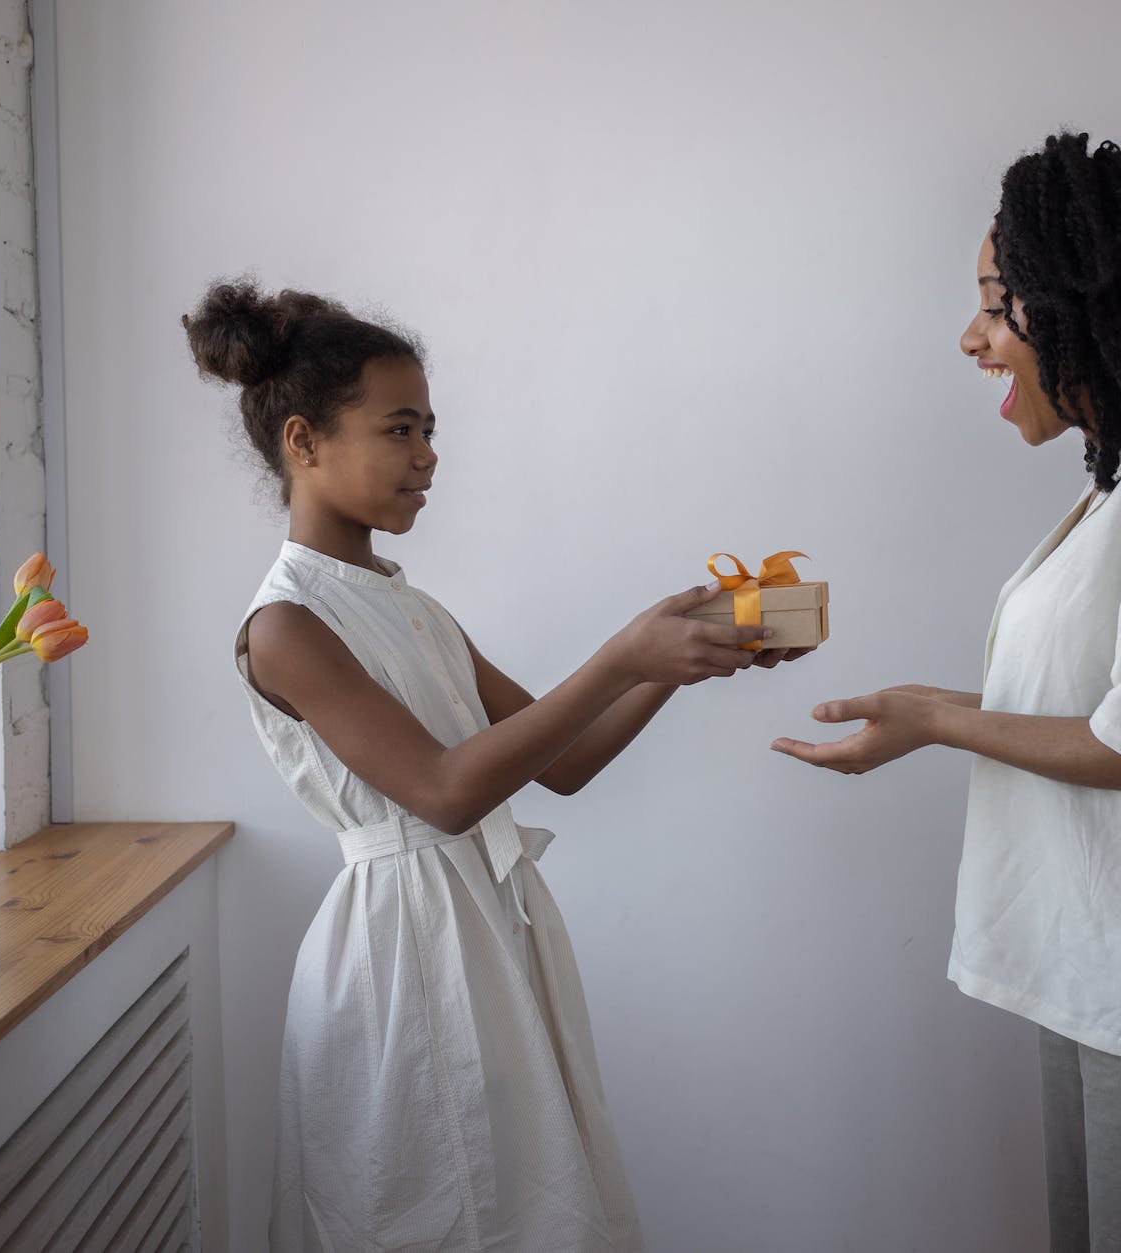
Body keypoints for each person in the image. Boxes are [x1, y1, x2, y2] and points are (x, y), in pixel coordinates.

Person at [773, 132, 1121, 1252]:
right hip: (1109, 979)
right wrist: (931, 707)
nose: (971, 337)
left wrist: (938, 721)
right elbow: (1114, 702)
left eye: (996, 303)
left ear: (1084, 304)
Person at [184, 280, 806, 1252]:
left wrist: (683, 657)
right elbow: (440, 791)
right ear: (303, 441)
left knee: (515, 1203)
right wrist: (620, 654)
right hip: (402, 952)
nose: (428, 454)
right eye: (399, 429)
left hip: (481, 931)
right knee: (428, 1205)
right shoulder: (285, 626)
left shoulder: (414, 608)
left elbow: (565, 761)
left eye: (429, 427)